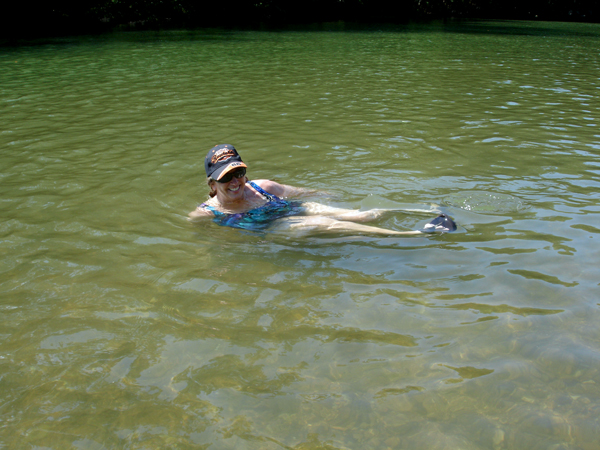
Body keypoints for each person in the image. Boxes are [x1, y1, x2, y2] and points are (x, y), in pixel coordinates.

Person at [189, 144, 456, 236]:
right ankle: (415, 234)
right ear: (212, 184)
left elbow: (301, 192)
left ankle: (428, 209)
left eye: (239, 173)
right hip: (270, 229)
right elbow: (194, 234)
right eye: (227, 178)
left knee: (363, 214)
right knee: (322, 222)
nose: (236, 181)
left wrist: (327, 193)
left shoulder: (263, 187)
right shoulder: (207, 213)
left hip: (288, 209)